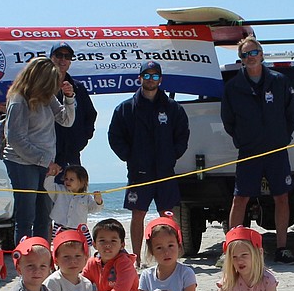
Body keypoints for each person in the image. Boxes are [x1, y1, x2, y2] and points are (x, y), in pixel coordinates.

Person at [221, 37, 294, 265]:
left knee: (282, 197)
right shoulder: (233, 87)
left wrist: (283, 137)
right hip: (249, 152)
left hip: (276, 150)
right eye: (245, 54)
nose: (250, 57)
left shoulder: (279, 81)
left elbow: (292, 112)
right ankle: (230, 249)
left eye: (253, 52)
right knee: (240, 198)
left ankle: (282, 248)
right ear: (241, 59)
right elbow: (228, 120)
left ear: (262, 53)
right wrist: (242, 139)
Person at [108, 61, 189, 261]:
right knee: (138, 215)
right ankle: (137, 259)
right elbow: (115, 137)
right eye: (147, 75)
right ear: (140, 78)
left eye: (154, 76)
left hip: (165, 171)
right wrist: (130, 157)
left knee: (167, 216)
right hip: (139, 172)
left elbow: (182, 136)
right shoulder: (125, 108)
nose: (150, 79)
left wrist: (171, 155)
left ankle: (171, 257)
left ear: (160, 80)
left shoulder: (172, 108)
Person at [4, 57, 75, 244]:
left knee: (45, 215)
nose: (54, 85)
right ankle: (24, 259)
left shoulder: (47, 97)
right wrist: (45, 161)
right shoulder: (19, 100)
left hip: (45, 163)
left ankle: (42, 256)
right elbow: (15, 139)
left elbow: (66, 120)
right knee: (26, 215)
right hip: (22, 162)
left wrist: (69, 98)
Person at [82, 218, 139, 291]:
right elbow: (82, 285)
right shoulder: (92, 262)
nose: (108, 245)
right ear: (94, 244)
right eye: (102, 241)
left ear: (122, 244)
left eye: (113, 241)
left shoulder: (124, 263)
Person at [50, 42, 97, 171]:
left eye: (67, 56)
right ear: (51, 58)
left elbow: (91, 114)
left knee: (73, 190)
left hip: (72, 154)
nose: (63, 60)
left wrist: (81, 139)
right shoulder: (42, 87)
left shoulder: (78, 88)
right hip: (47, 154)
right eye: (59, 55)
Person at [44, 164, 102, 245]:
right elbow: (48, 186)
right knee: (58, 247)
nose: (67, 181)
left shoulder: (86, 196)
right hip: (60, 227)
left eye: (71, 179)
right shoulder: (60, 190)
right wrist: (52, 175)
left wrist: (98, 201)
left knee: (82, 249)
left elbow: (95, 209)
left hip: (78, 229)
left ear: (81, 182)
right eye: (66, 179)